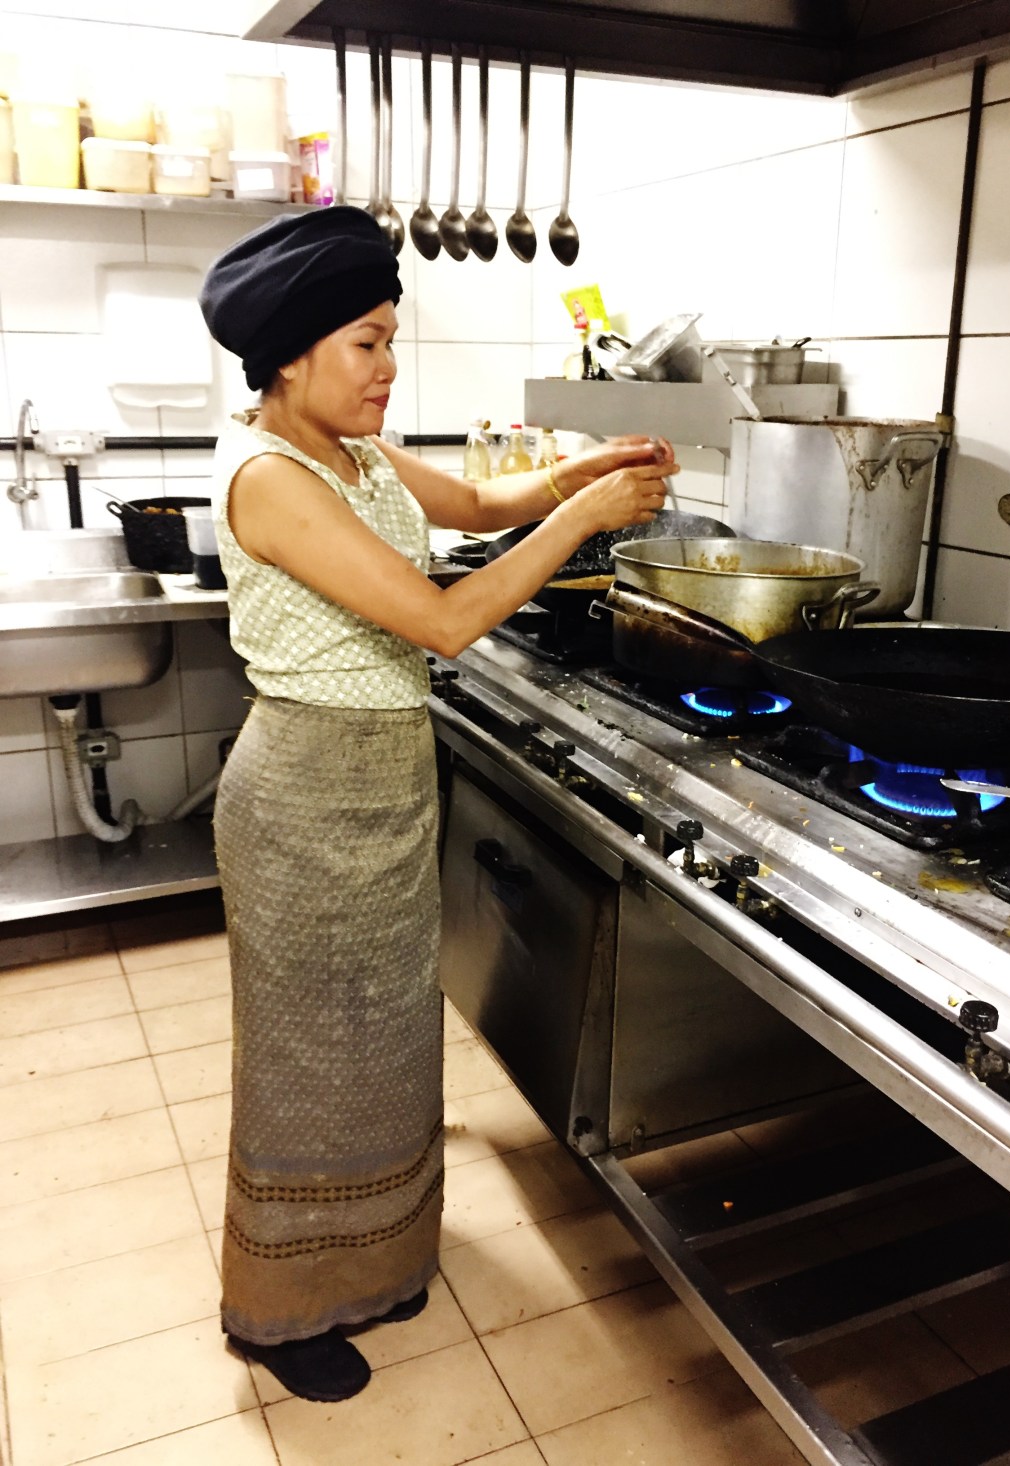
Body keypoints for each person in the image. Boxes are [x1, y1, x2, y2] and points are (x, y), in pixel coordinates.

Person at [197, 206, 676, 1404]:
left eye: (389, 340)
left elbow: (469, 501)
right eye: (365, 343)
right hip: (304, 795)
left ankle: (377, 1260)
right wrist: (582, 523)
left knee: (387, 1037)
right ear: (290, 356)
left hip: (381, 782)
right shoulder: (271, 475)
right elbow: (443, 618)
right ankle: (281, 1310)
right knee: (310, 1055)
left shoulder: (352, 455)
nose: (387, 366)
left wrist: (583, 469)